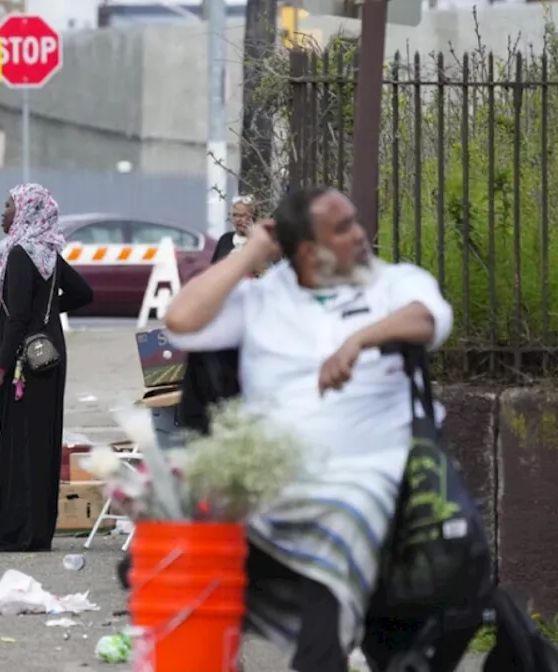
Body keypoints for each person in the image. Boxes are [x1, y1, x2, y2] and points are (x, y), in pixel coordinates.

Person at [163, 186, 454, 672]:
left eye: (355, 221)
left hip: (372, 482)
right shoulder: (264, 298)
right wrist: (251, 250)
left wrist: (359, 339)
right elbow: (181, 320)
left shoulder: (391, 283)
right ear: (307, 250)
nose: (360, 235)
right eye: (342, 228)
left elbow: (427, 319)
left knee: (332, 556)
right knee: (168, 557)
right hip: (282, 489)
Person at [0, 184, 93, 553]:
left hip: (20, 366)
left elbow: (16, 318)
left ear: (27, 213)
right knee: (39, 443)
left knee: (14, 442)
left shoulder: (21, 254)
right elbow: (84, 294)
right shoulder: (48, 254)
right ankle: (36, 530)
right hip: (48, 358)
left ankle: (11, 529)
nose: (2, 213)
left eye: (9, 206)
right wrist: (47, 318)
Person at [212, 195, 255, 263]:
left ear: (250, 217)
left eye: (241, 215)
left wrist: (251, 237)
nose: (237, 219)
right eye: (235, 215)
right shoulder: (225, 239)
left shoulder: (258, 241)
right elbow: (213, 267)